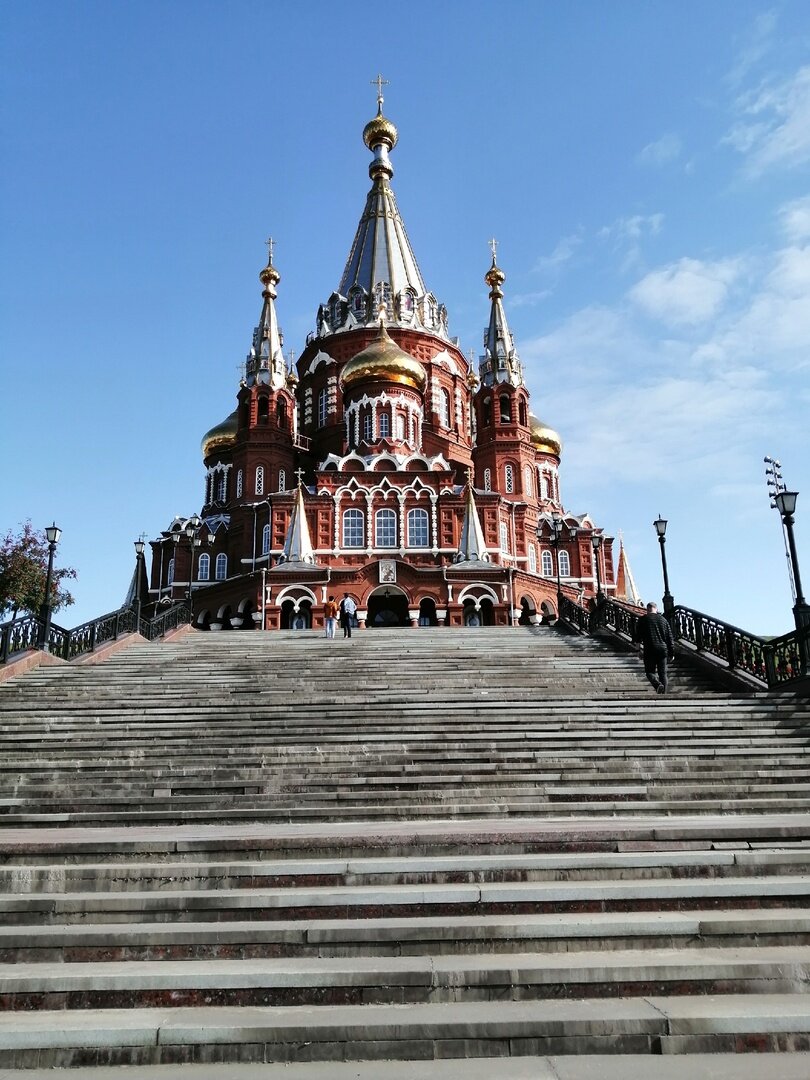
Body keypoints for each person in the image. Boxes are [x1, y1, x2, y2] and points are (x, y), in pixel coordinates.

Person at [633, 601, 675, 694]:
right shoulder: (663, 620)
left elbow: (638, 637)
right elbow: (670, 638)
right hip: (662, 650)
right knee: (663, 673)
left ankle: (657, 684)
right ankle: (663, 694)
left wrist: (638, 650)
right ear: (656, 609)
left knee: (649, 672)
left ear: (647, 609)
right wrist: (671, 653)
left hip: (649, 649)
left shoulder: (643, 620)